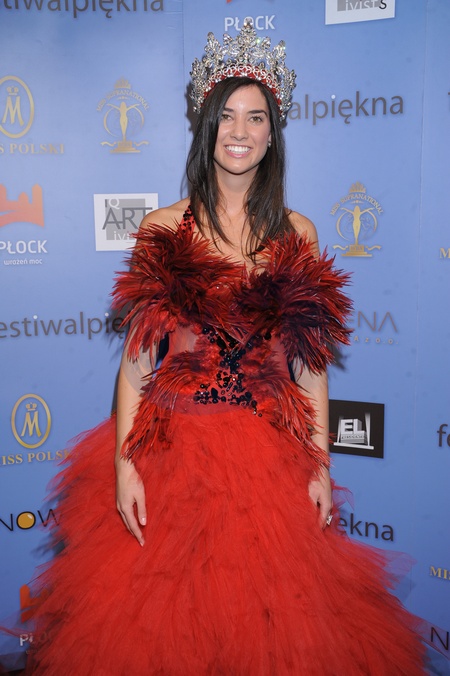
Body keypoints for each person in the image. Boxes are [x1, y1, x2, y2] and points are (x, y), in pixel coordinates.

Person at [26, 21, 424, 675]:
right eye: (228, 116)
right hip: (173, 452)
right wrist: (125, 467)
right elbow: (136, 368)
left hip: (268, 460)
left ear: (272, 133)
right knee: (162, 634)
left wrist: (320, 466)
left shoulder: (298, 234)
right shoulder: (162, 228)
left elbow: (309, 369)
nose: (240, 131)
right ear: (206, 126)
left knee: (269, 635)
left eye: (256, 117)